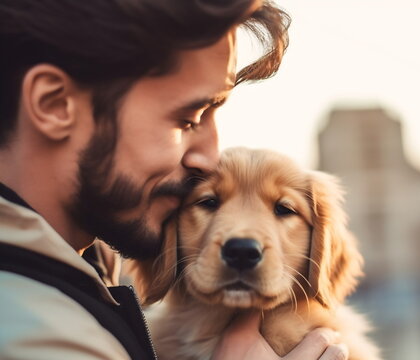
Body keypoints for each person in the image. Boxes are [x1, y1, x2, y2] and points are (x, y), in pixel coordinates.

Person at [0, 0, 348, 359]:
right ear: (54, 104)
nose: (210, 159)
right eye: (187, 120)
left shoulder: (79, 277)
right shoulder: (30, 333)